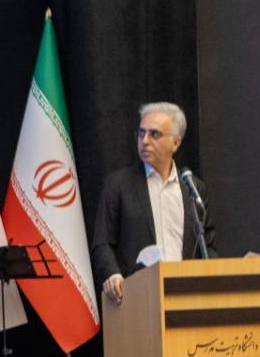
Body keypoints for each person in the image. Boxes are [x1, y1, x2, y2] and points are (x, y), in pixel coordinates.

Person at [90, 101, 219, 306]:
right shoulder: (119, 184)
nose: (145, 141)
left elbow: (208, 244)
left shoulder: (193, 188)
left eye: (154, 134)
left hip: (186, 298)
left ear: (175, 142)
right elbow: (102, 243)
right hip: (137, 299)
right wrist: (112, 274)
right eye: (141, 133)